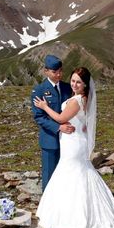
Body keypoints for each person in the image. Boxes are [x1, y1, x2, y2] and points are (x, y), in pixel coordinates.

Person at [33, 67, 114, 228]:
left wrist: (44, 106)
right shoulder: (84, 99)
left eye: (78, 82)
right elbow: (82, 122)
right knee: (77, 174)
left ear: (85, 84)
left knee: (71, 174)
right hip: (75, 140)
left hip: (72, 144)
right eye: (72, 80)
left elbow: (60, 117)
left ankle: (73, 215)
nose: (74, 84)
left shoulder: (77, 100)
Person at [31, 55, 74, 191]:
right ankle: (47, 207)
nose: (58, 74)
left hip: (68, 139)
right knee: (49, 174)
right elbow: (39, 117)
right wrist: (58, 127)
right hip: (50, 139)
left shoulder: (68, 88)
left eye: (60, 71)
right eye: (54, 72)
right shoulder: (39, 90)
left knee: (66, 172)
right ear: (46, 71)